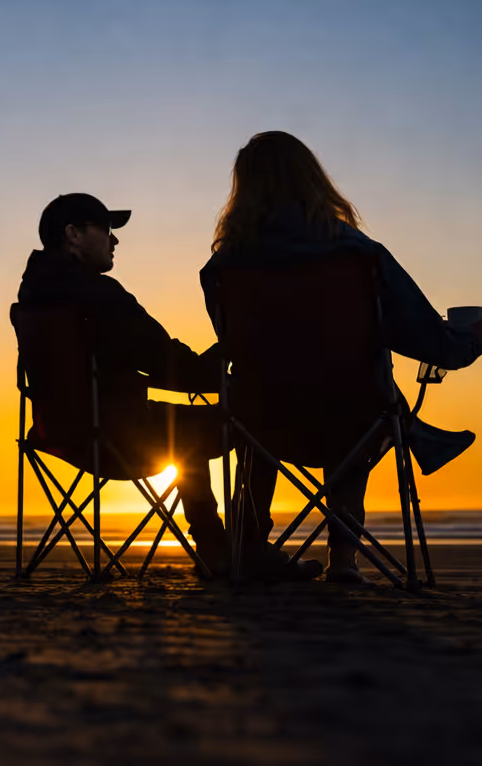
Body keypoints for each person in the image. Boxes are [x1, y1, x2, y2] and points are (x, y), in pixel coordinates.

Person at [200, 132, 482, 583]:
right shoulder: (359, 255)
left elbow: (238, 344)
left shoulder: (222, 270)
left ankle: (249, 548)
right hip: (351, 418)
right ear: (314, 181)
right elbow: (424, 337)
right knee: (359, 400)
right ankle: (343, 561)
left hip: (261, 423)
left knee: (265, 395)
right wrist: (467, 342)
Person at [18, 193, 320, 581]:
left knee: (184, 426)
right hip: (119, 436)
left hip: (59, 434)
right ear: (73, 234)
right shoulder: (100, 295)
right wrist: (230, 353)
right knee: (252, 419)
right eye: (107, 230)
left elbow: (151, 366)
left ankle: (214, 546)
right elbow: (170, 364)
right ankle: (246, 547)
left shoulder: (32, 296)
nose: (115, 241)